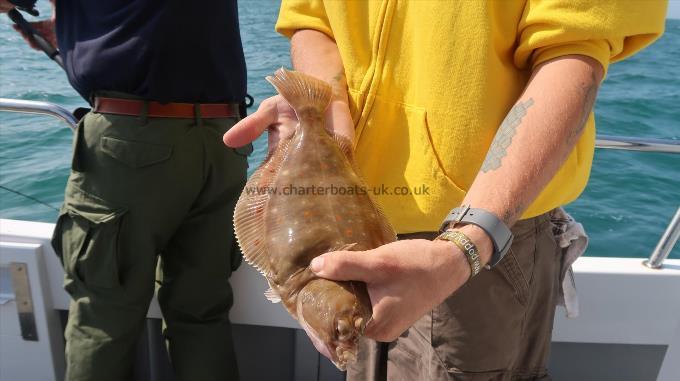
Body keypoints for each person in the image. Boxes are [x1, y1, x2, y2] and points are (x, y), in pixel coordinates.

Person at [224, 1, 667, 380]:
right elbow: (314, 18)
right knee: (355, 349)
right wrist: (325, 111)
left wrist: (468, 243)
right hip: (349, 217)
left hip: (483, 227)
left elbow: (575, 47)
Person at [1, 1, 251, 380]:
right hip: (225, 137)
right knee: (202, 311)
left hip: (131, 141)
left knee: (103, 316)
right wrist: (75, 29)